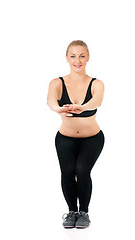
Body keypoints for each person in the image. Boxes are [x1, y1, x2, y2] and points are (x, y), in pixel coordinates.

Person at [47, 40, 105, 229]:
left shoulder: (97, 83)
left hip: (92, 138)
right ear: (67, 58)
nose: (77, 60)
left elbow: (97, 101)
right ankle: (72, 212)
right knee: (67, 172)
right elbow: (51, 101)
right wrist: (58, 109)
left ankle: (84, 213)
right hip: (65, 138)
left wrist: (82, 107)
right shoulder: (57, 82)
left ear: (87, 58)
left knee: (82, 170)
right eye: (73, 56)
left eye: (81, 56)